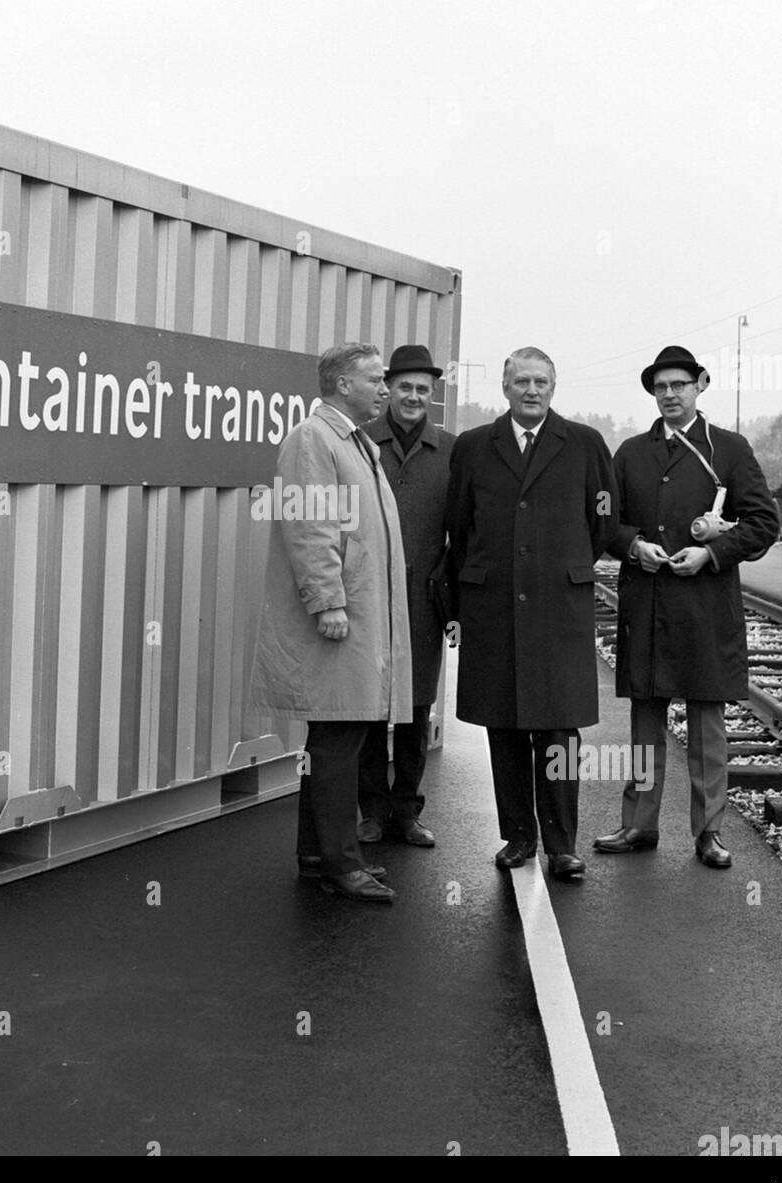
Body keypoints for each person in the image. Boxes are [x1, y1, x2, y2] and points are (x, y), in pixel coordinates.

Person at [595, 344, 779, 868]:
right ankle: (638, 824)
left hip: (705, 605)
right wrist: (632, 545)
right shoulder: (629, 453)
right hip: (647, 602)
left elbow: (764, 524)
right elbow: (604, 520)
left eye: (679, 384)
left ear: (700, 385)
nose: (670, 394)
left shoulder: (730, 449)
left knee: (707, 722)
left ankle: (709, 833)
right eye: (661, 387)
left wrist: (711, 553)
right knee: (645, 720)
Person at [247, 343, 413, 902]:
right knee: (339, 737)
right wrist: (327, 602)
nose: (385, 389)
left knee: (335, 737)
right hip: (341, 616)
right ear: (343, 384)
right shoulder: (313, 440)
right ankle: (342, 864)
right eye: (375, 379)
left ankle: (319, 855)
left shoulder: (355, 442)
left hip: (359, 615)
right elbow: (309, 526)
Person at [446, 347, 616, 881]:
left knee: (559, 732)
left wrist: (565, 567)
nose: (531, 390)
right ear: (505, 386)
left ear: (554, 387)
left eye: (541, 381)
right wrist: (458, 602)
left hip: (558, 611)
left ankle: (562, 845)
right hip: (493, 607)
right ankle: (518, 836)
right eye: (521, 381)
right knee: (504, 726)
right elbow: (458, 525)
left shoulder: (585, 444)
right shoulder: (475, 447)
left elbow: (604, 518)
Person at [357, 345, 455, 849]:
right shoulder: (362, 443)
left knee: (417, 706)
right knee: (371, 704)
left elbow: (465, 529)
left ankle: (406, 810)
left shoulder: (451, 451)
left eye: (422, 389)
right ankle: (370, 811)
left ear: (431, 395)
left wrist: (447, 588)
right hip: (369, 596)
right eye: (404, 387)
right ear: (387, 390)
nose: (413, 396)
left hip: (423, 599)